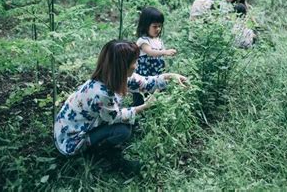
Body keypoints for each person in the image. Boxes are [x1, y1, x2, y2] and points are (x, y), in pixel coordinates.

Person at [54, 40, 187, 175]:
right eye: (134, 61)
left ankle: (101, 145)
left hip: (69, 127)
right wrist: (146, 106)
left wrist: (172, 77)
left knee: (125, 125)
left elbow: (146, 83)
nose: (137, 65)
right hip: (71, 140)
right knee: (123, 130)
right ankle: (100, 155)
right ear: (122, 66)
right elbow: (115, 117)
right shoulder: (101, 92)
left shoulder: (112, 76)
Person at [134, 7, 177, 105]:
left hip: (157, 73)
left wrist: (165, 63)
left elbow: (161, 57)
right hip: (145, 74)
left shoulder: (158, 40)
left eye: (159, 26)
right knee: (142, 96)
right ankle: (138, 114)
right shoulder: (143, 40)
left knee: (156, 96)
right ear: (146, 25)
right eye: (154, 26)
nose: (158, 29)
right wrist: (165, 52)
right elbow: (149, 52)